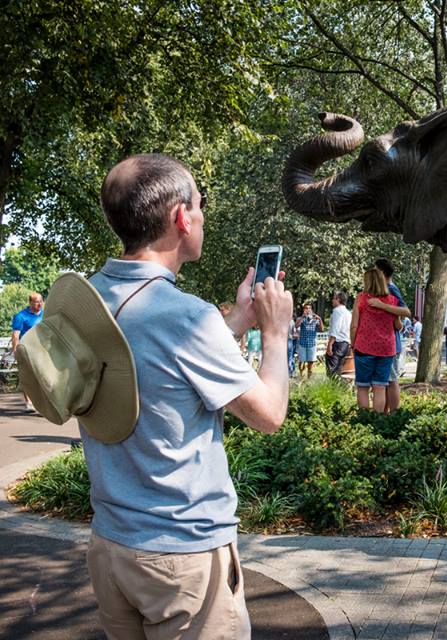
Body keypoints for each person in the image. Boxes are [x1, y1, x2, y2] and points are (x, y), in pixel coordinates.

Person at [85, 153, 293, 638]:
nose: (202, 215)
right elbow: (268, 415)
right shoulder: (185, 316)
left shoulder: (90, 297)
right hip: (183, 557)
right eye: (200, 204)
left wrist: (238, 322)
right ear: (182, 217)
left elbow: (158, 364)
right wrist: (275, 332)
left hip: (110, 545)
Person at [351, 268, 399, 412]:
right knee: (380, 387)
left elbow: (354, 325)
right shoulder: (392, 301)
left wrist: (353, 344)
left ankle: (365, 419)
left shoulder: (361, 298)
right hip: (386, 349)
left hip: (364, 347)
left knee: (363, 387)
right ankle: (379, 418)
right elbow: (397, 325)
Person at [374, 258, 411, 412]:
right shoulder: (383, 289)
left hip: (390, 343)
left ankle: (395, 414)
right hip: (383, 342)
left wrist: (383, 306)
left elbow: (405, 310)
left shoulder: (391, 288)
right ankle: (386, 412)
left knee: (392, 380)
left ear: (382, 272)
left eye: (375, 270)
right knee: (385, 380)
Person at [11, 292, 44, 409]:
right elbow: (15, 335)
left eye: (41, 301)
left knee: (43, 377)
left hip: (44, 351)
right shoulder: (20, 316)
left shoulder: (47, 314)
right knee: (28, 377)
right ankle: (28, 403)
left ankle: (43, 405)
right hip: (27, 350)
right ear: (30, 302)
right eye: (36, 302)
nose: (39, 304)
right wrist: (15, 350)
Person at [325, 291, 351, 377]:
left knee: (332, 370)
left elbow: (335, 329)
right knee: (339, 369)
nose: (332, 301)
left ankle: (332, 389)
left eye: (333, 298)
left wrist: (330, 345)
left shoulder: (337, 311)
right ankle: (339, 389)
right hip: (345, 344)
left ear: (338, 300)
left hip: (337, 343)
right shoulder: (348, 313)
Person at [296, 303, 321, 378]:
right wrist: (303, 317)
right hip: (302, 343)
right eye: (306, 308)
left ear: (312, 310)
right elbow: (296, 326)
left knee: (311, 362)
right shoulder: (300, 318)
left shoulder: (315, 319)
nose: (308, 310)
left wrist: (319, 319)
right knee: (301, 361)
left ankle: (309, 378)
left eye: (309, 308)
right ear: (303, 310)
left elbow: (321, 329)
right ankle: (301, 378)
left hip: (312, 344)